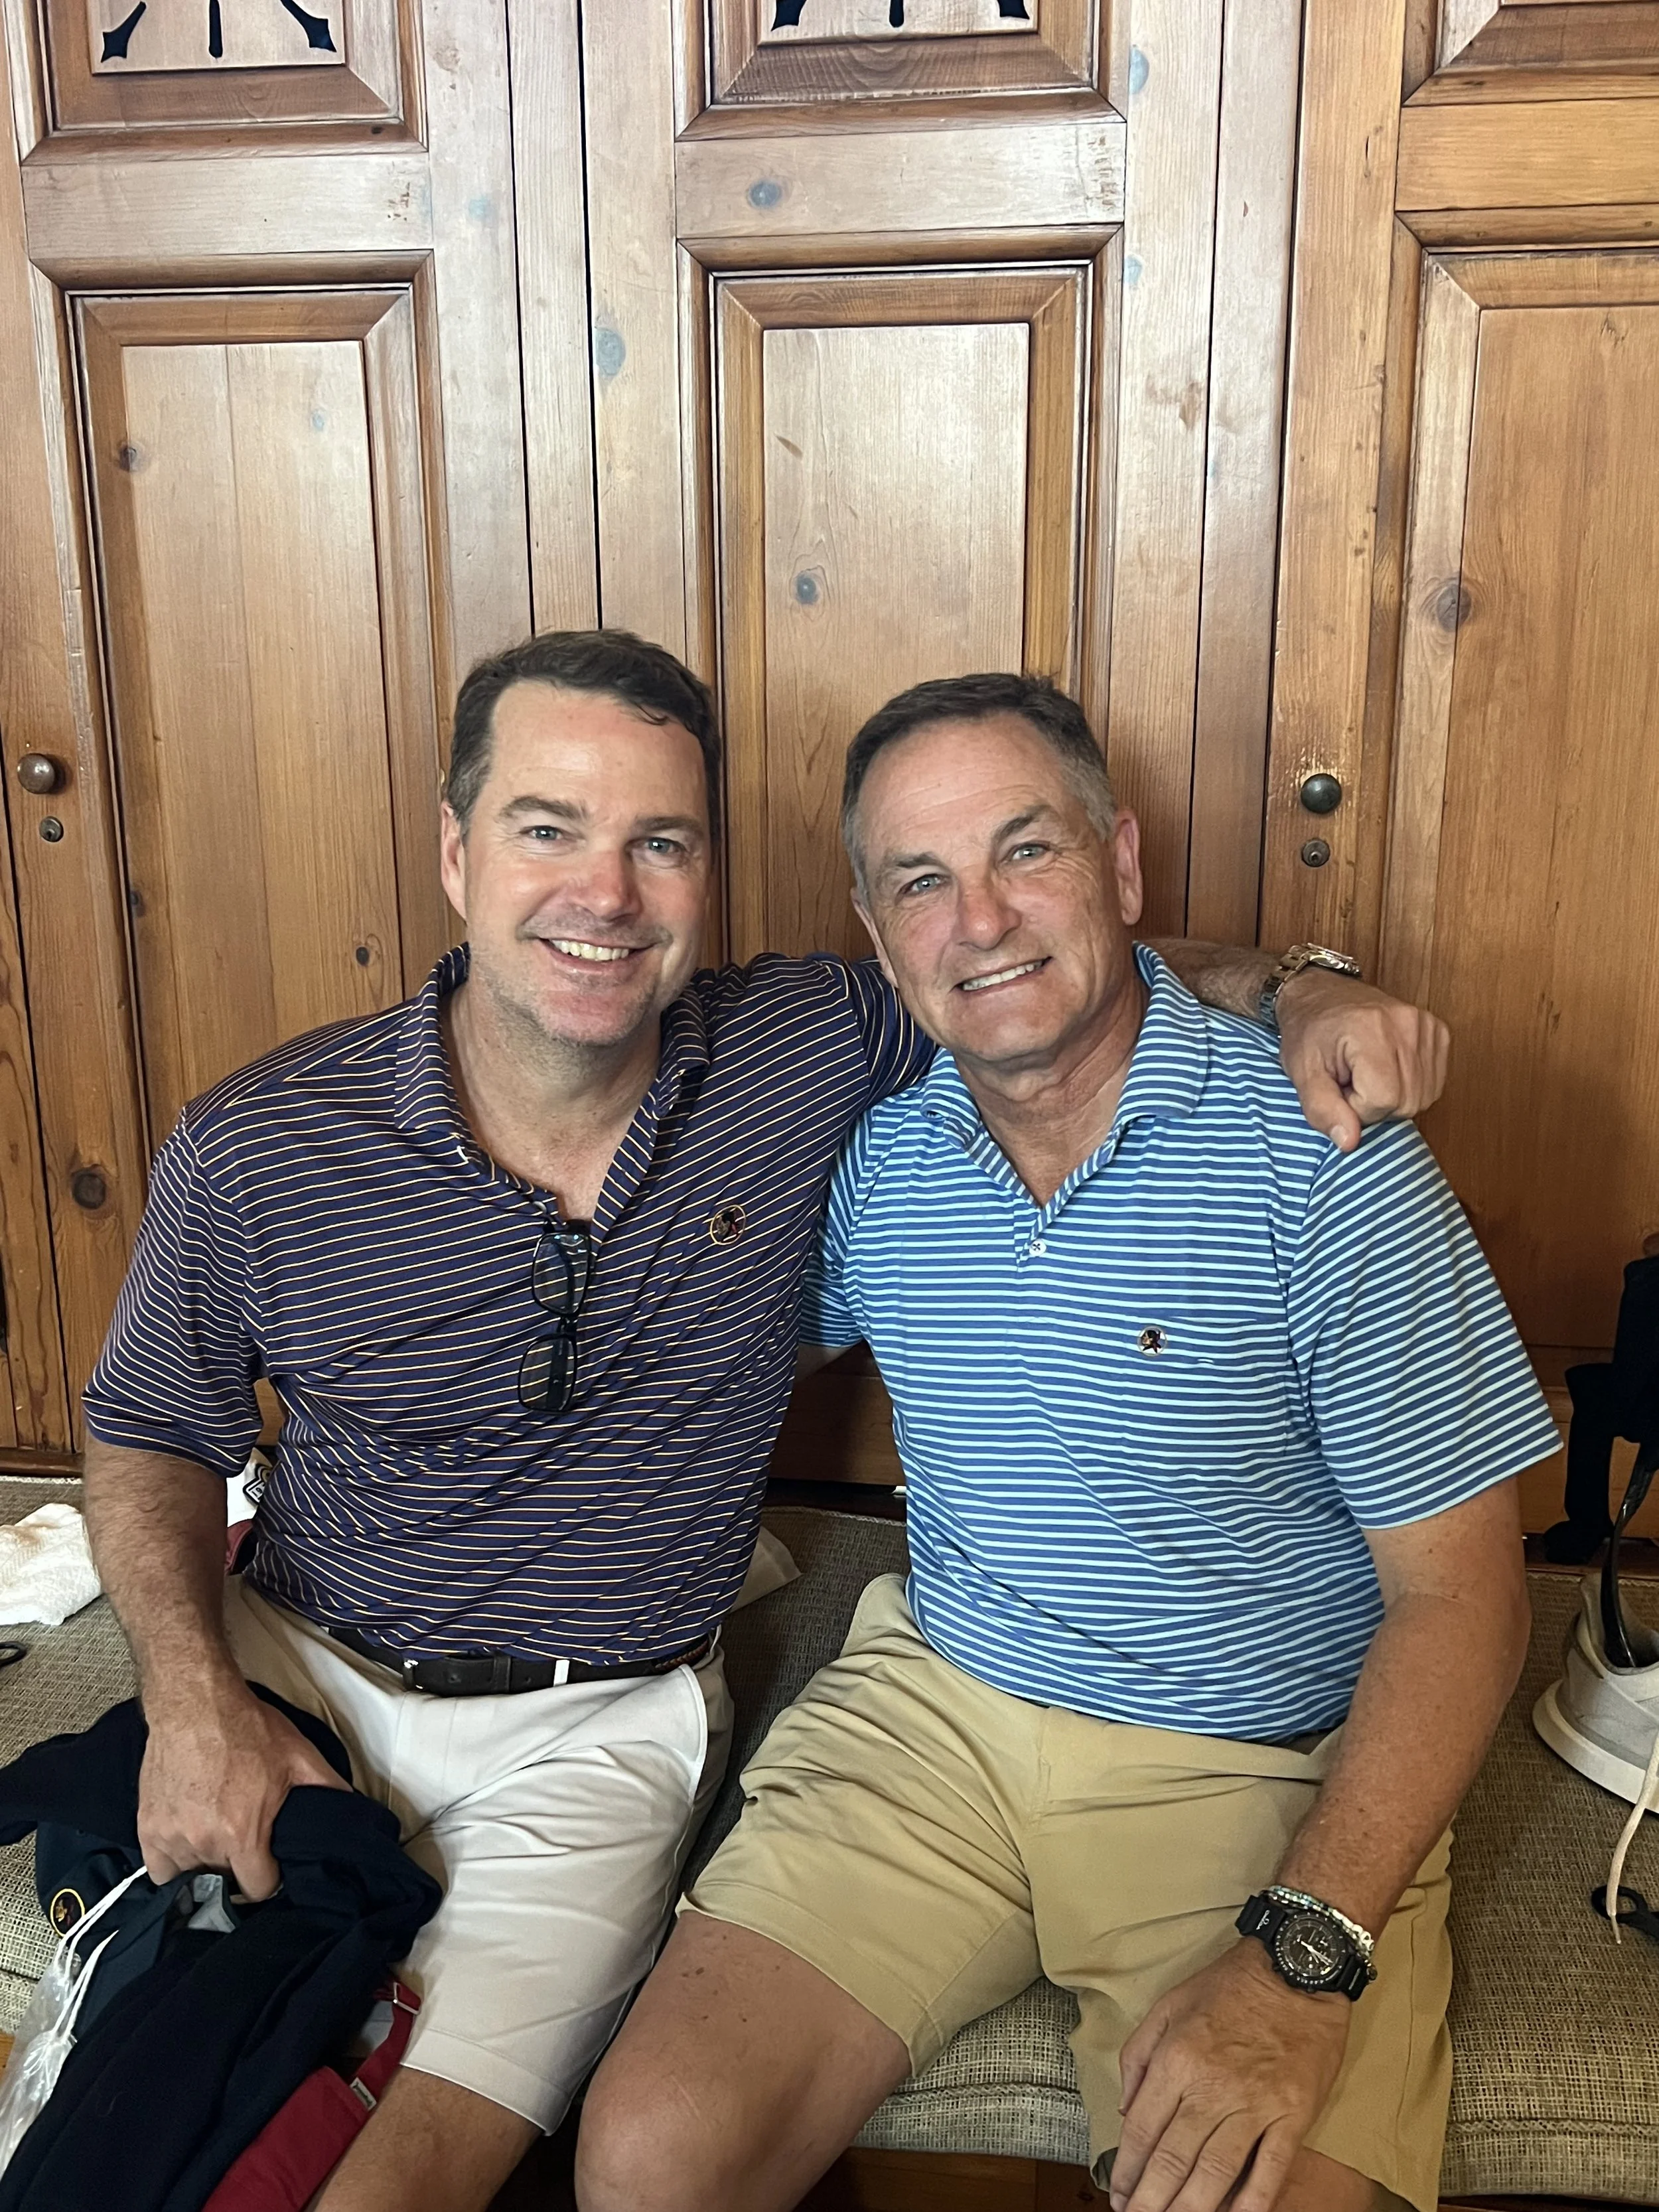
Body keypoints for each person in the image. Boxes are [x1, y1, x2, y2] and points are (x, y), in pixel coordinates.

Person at [80, 634, 1447, 2212]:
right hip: (297, 1661)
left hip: (597, 1730)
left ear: (707, 877)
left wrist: (1302, 985)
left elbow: (1038, 963)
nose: (603, 894)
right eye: (545, 828)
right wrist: (190, 1699)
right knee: (146, 2118)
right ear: (454, 852)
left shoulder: (811, 1050)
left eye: (656, 842)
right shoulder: (263, 1143)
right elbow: (145, 1430)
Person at [579, 673, 1559, 2212]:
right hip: (936, 1717)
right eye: (922, 880)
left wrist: (1303, 1956)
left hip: (1243, 1762)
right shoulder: (875, 1149)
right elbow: (670, 1326)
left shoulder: (1325, 1154)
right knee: (649, 2155)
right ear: (876, 925)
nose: (977, 919)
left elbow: (1465, 1595)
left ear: (1121, 863)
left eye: (1024, 851)